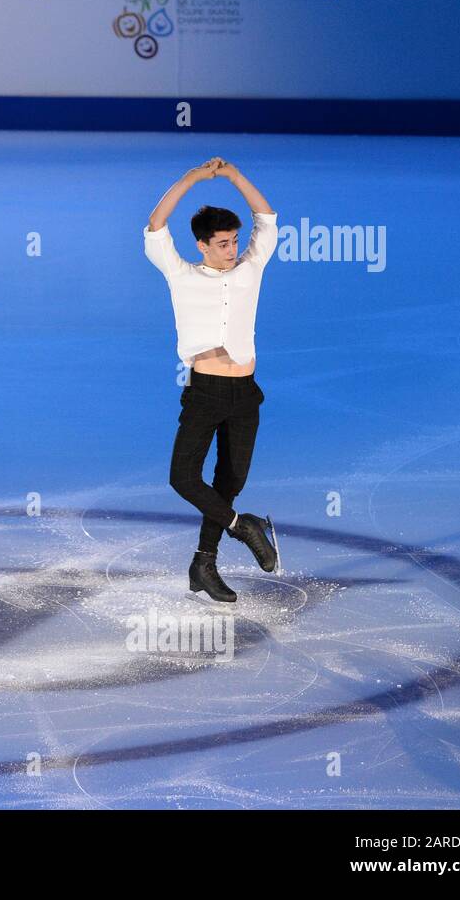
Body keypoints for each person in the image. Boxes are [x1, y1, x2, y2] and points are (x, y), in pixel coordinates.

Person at [144, 157, 281, 602]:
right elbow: (156, 225)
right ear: (202, 245)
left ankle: (204, 563)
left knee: (229, 483)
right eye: (222, 243)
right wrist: (191, 178)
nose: (232, 249)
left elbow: (266, 217)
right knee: (184, 477)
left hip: (245, 394)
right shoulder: (181, 275)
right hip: (205, 392)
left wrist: (235, 176)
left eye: (235, 240)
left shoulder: (251, 269)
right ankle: (244, 527)